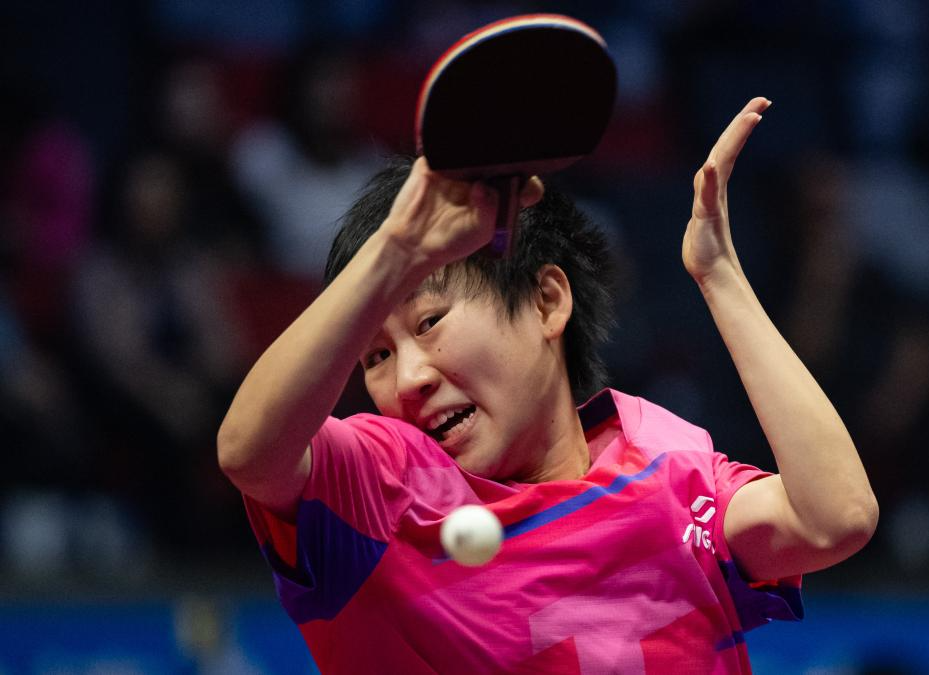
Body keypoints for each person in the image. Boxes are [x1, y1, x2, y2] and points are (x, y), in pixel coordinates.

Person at [218, 97, 878, 674]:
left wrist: (720, 277)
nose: (409, 378)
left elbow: (834, 517)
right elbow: (249, 451)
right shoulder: (377, 488)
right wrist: (395, 252)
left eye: (430, 321)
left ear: (546, 301)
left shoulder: (669, 471)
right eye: (375, 356)